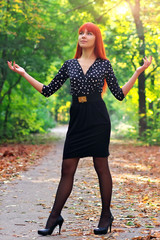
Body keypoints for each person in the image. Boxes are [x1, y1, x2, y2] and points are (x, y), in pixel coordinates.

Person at [7, 22, 152, 236]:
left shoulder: (104, 64)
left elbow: (119, 95)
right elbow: (47, 90)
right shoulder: (69, 64)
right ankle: (54, 217)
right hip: (77, 118)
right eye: (81, 33)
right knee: (67, 168)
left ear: (96, 39)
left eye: (89, 33)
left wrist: (139, 71)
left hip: (98, 118)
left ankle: (105, 215)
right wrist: (24, 73)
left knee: (100, 166)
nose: (83, 36)